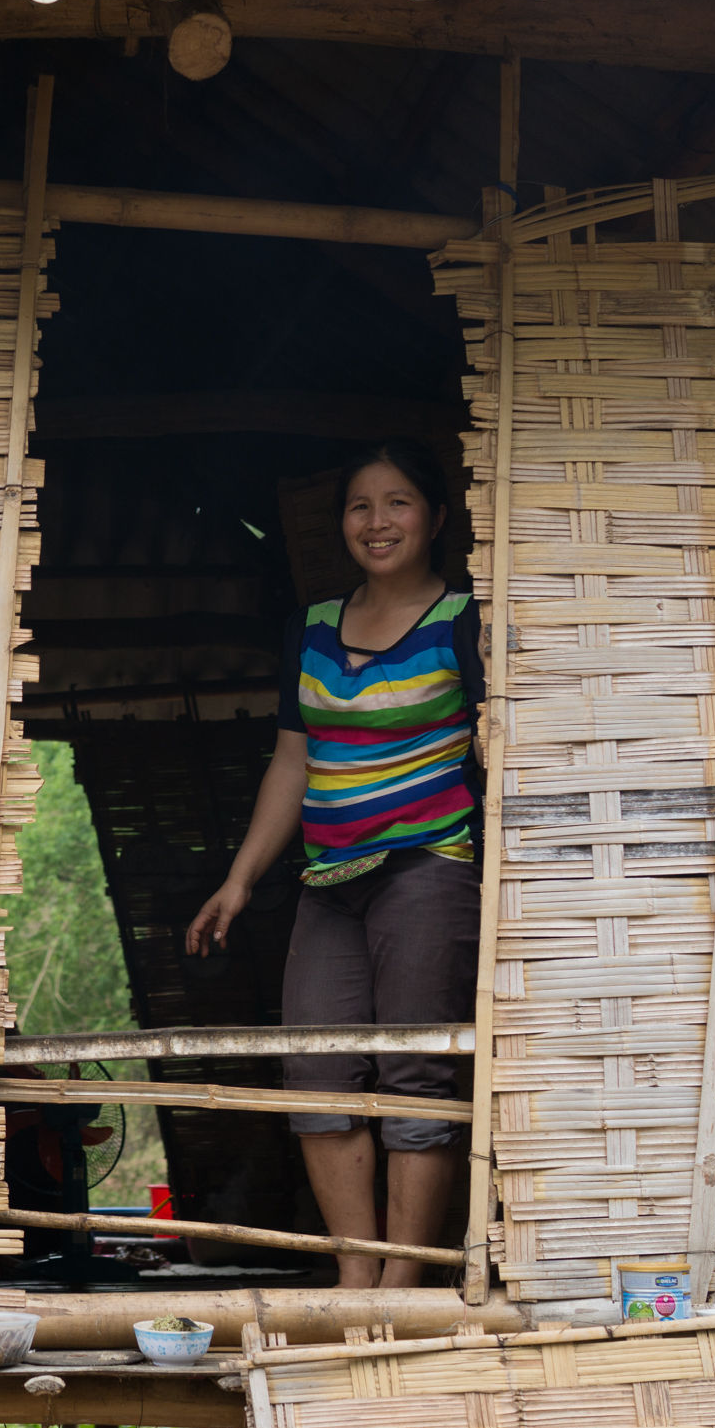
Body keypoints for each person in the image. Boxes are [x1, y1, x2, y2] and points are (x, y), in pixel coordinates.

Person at [184, 438, 483, 1290]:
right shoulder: (312, 627)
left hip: (428, 867)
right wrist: (240, 880)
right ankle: (357, 1275)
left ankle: (404, 1283)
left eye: (397, 503)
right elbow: (293, 759)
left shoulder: (463, 620)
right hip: (329, 880)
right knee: (316, 1068)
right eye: (361, 506)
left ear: (434, 518)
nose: (377, 521)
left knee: (414, 1072)